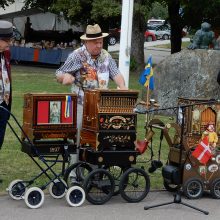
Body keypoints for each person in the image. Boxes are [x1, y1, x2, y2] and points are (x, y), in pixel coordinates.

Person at [55, 24, 127, 167]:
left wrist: (123, 86)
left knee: (98, 139)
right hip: (81, 104)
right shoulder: (77, 56)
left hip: (100, 106)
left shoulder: (106, 56)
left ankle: (94, 173)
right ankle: (74, 174)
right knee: (78, 138)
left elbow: (116, 73)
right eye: (95, 42)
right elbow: (58, 73)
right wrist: (64, 78)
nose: (99, 45)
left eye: (101, 42)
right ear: (86, 42)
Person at [0, 20, 14, 183]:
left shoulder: (6, 54)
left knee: (0, 138)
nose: (9, 44)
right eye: (6, 40)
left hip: (3, 104)